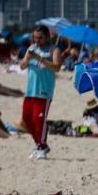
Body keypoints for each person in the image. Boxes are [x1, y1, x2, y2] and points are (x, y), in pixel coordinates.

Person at [20, 24, 63, 159]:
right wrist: (27, 59)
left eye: (40, 38)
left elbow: (57, 67)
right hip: (30, 90)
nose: (37, 40)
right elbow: (22, 66)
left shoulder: (53, 50)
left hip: (44, 91)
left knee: (38, 120)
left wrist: (39, 58)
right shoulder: (31, 48)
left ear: (47, 37)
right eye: (35, 38)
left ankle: (42, 146)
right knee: (27, 119)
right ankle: (39, 144)